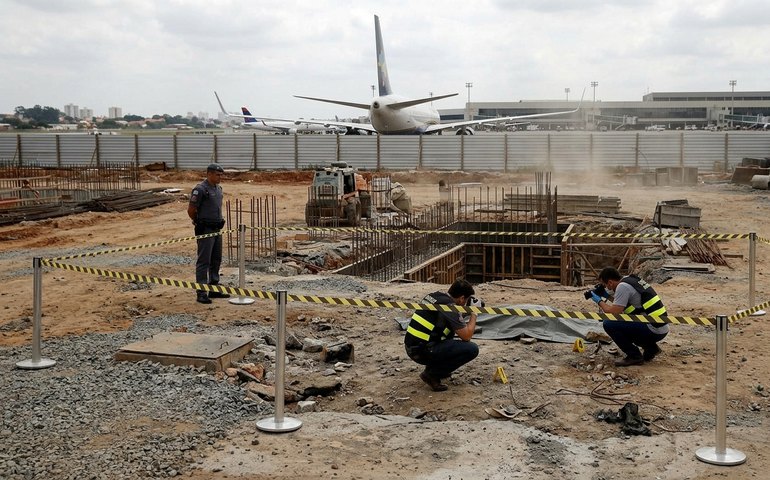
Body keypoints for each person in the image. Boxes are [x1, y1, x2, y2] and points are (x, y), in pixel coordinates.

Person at [404, 278, 481, 391]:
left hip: (412, 346)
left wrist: (462, 313)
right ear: (462, 298)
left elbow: (444, 320)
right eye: (466, 300)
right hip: (422, 351)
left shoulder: (435, 296)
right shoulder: (450, 307)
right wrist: (474, 313)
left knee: (449, 334)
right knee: (472, 349)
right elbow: (467, 336)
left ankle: (436, 368)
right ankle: (432, 374)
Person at [588, 267, 668, 367]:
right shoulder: (629, 280)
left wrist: (598, 300)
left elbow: (613, 313)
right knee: (627, 322)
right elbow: (622, 305)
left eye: (605, 285)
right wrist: (606, 295)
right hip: (661, 327)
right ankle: (651, 348)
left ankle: (634, 356)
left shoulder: (622, 287)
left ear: (610, 282)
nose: (606, 288)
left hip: (653, 329)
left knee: (609, 324)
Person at [188, 163, 230, 304]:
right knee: (204, 261)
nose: (220, 177)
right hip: (205, 230)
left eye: (221, 175)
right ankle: (201, 291)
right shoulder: (200, 190)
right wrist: (198, 222)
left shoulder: (218, 189)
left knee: (215, 259)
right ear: (209, 174)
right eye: (217, 175)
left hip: (216, 229)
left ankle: (213, 287)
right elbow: (191, 210)